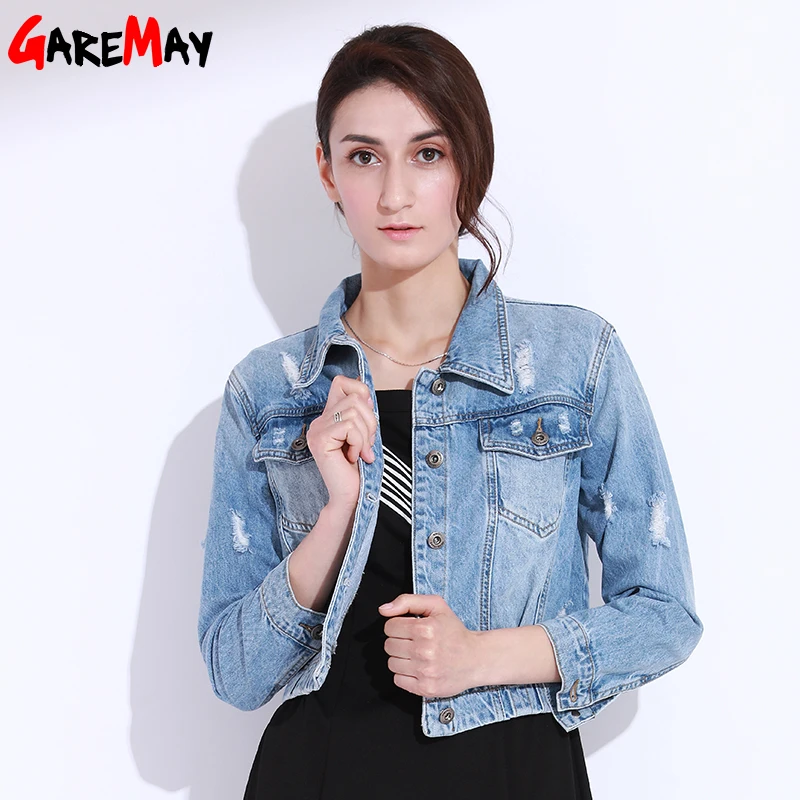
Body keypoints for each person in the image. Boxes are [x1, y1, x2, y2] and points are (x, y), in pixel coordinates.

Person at [197, 23, 703, 799]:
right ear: (328, 171)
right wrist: (337, 515)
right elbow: (233, 673)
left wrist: (479, 658)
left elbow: (665, 614)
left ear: (470, 163)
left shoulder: (574, 361)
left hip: (512, 774)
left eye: (427, 154)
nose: (395, 195)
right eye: (364, 157)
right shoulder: (270, 392)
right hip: (321, 773)